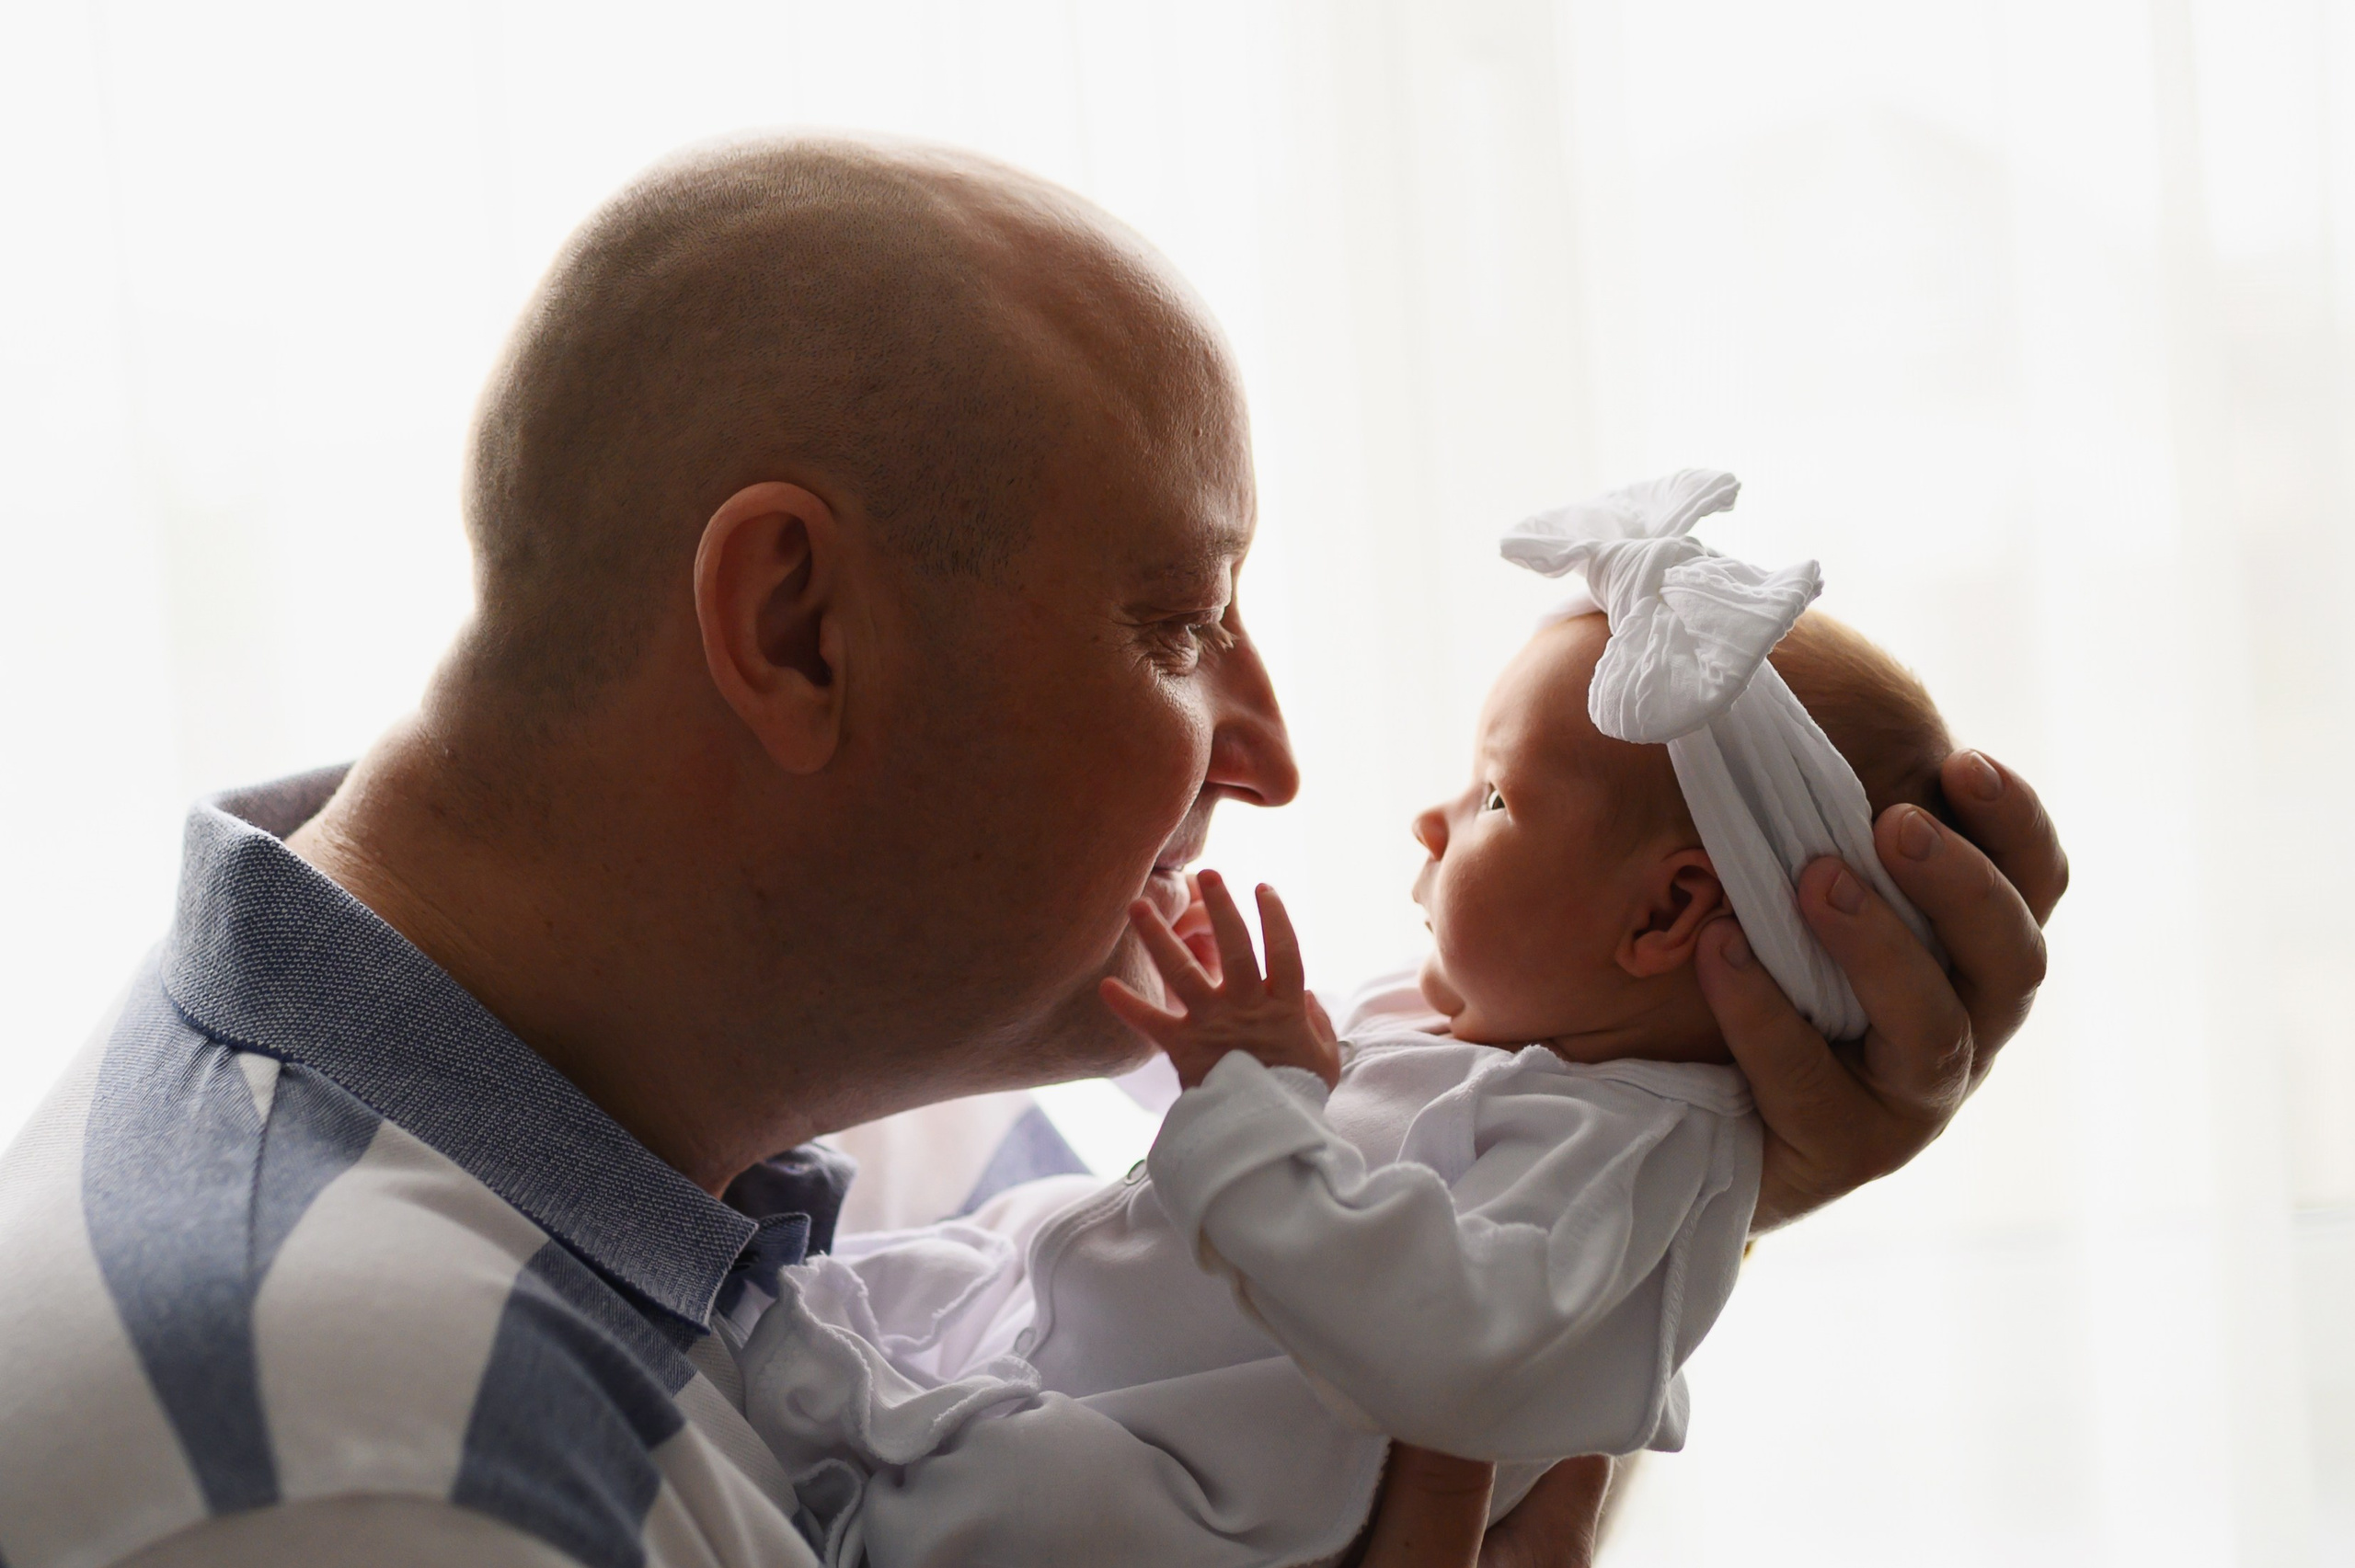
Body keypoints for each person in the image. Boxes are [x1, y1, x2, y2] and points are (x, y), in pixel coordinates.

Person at [0, 138, 2066, 1568]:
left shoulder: (704, 1104)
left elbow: (1252, 1338)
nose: (1268, 753)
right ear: (797, 629)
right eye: (1178, 621)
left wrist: (1690, 1137)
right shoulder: (373, 1473)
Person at [720, 472, 1957, 1567]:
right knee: (940, 1273)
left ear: (1662, 912)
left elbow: (1451, 1344)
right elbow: (1288, 1132)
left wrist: (1259, 1105)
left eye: (1494, 796)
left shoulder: (1637, 1155)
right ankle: (797, 1383)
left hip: (1206, 1493)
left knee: (1051, 1505)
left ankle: (856, 1507)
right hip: (1087, 1324)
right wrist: (1223, 1045)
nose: (1434, 818)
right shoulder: (1448, 1014)